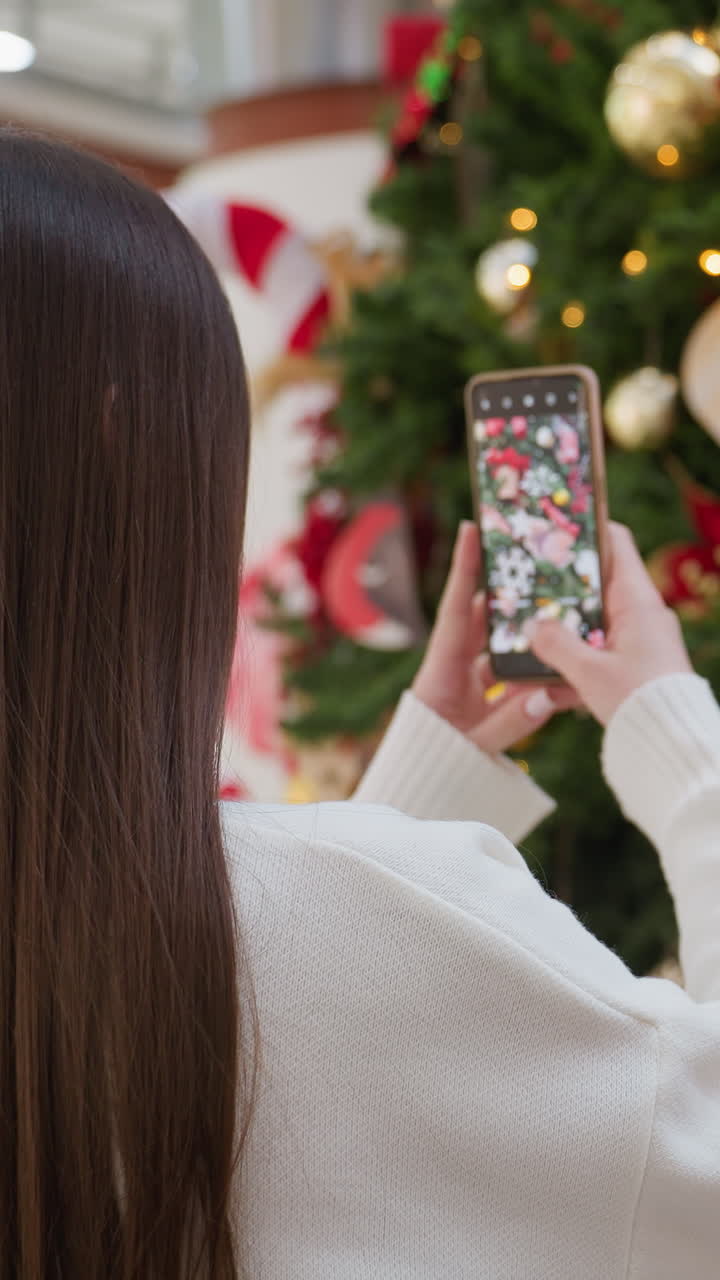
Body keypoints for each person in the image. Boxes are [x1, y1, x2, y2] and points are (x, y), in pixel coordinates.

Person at [0, 129, 717, 1280]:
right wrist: (676, 737)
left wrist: (414, 803)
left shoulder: (316, 923)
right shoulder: (353, 921)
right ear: (135, 451)